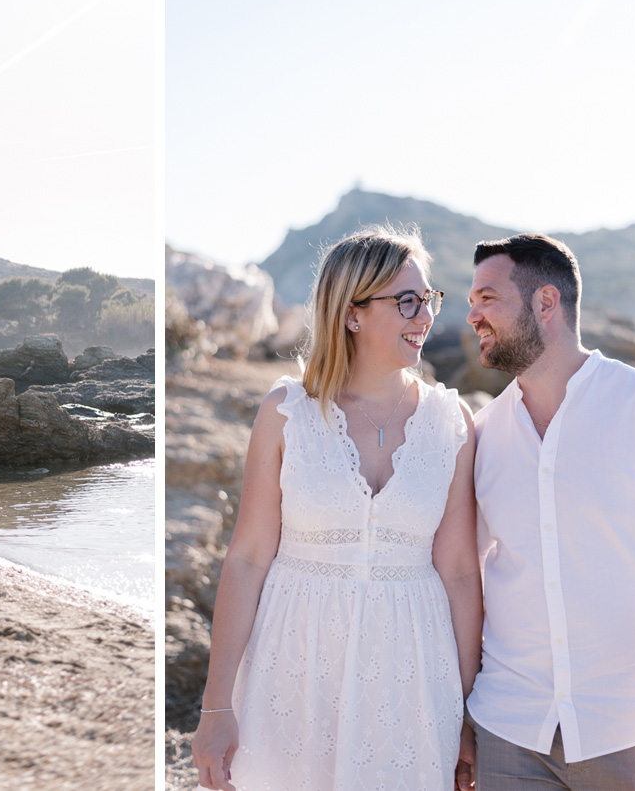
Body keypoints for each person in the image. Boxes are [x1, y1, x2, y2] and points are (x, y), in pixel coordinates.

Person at [191, 225, 483, 791]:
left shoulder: (452, 424)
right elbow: (248, 559)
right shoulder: (287, 411)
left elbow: (461, 573)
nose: (424, 315)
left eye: (428, 299)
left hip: (413, 670)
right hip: (294, 662)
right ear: (352, 313)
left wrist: (470, 715)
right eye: (406, 301)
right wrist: (215, 707)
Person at [464, 233, 635, 791]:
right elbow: (463, 581)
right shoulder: (482, 435)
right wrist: (463, 723)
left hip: (628, 735)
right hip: (507, 731)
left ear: (547, 303)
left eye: (487, 298)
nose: (472, 315)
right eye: (471, 301)